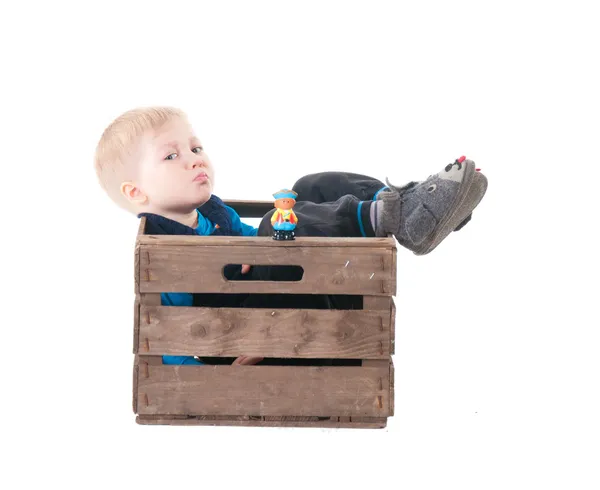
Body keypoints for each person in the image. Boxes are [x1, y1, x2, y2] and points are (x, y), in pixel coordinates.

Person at [94, 106, 488, 366]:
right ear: (136, 192)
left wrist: (252, 247)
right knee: (277, 225)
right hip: (257, 331)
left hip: (287, 295)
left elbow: (250, 237)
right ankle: (397, 214)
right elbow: (166, 332)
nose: (195, 157)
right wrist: (219, 373)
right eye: (171, 156)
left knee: (309, 187)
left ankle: (406, 205)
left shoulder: (212, 210)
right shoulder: (160, 250)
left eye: (195, 146)